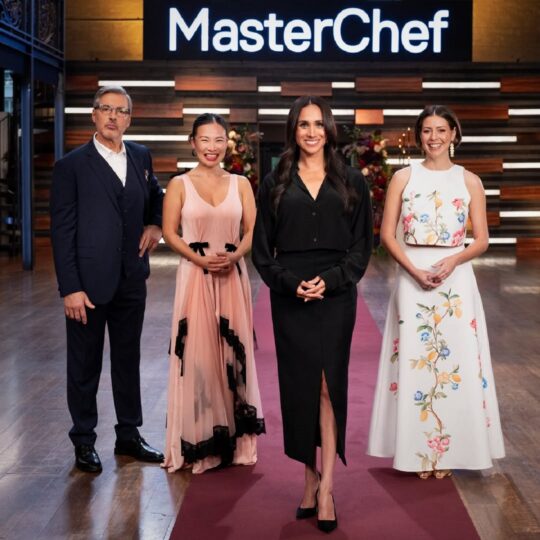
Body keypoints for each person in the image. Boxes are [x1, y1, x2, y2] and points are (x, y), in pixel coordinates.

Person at [252, 96, 372, 533]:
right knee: (300, 387)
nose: (311, 132)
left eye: (318, 124)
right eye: (303, 124)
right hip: (291, 296)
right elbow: (262, 252)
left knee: (327, 386)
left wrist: (334, 279)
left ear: (329, 129)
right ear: (293, 130)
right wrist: (289, 283)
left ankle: (327, 489)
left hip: (336, 295)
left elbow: (362, 247)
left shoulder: (352, 181)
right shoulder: (274, 182)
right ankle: (308, 478)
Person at [367, 105, 505, 478]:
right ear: (419, 136)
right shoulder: (403, 178)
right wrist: (412, 269)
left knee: (455, 364)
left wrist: (454, 260)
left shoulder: (470, 180)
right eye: (427, 130)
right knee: (416, 362)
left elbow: (482, 239)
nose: (434, 137)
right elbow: (386, 235)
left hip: (455, 280)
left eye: (441, 130)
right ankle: (416, 453)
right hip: (411, 276)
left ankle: (448, 452)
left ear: (454, 134)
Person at [50, 85, 165, 473]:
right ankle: (84, 440)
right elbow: (62, 231)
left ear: (130, 119)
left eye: (121, 111)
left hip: (131, 279)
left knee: (128, 360)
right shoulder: (71, 166)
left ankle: (128, 434)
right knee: (84, 365)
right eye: (106, 109)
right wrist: (70, 288)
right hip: (87, 285)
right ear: (94, 115)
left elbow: (156, 195)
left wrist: (155, 224)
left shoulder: (141, 156)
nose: (113, 116)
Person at [162, 113, 265, 474]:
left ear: (227, 144)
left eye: (219, 139)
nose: (212, 147)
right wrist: (199, 259)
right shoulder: (179, 184)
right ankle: (203, 442)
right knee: (199, 357)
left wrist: (235, 256)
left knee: (233, 355)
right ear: (193, 143)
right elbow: (169, 232)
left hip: (232, 275)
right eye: (204, 140)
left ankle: (238, 443)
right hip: (195, 277)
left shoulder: (241, 183)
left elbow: (253, 230)